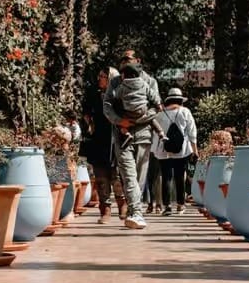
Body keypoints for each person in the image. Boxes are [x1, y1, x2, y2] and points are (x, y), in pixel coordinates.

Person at [104, 50, 162, 229]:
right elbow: (107, 105)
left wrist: (136, 120)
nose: (125, 63)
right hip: (121, 135)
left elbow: (156, 107)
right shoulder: (115, 82)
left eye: (128, 60)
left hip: (143, 135)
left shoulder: (150, 81)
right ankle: (136, 212)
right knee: (128, 176)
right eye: (122, 60)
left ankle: (134, 212)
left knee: (139, 177)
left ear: (138, 61)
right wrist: (120, 121)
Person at [81, 67, 126, 223]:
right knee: (100, 177)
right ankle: (105, 209)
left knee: (117, 176)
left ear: (112, 78)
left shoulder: (118, 95)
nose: (100, 78)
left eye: (103, 76)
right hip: (98, 140)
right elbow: (86, 112)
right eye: (99, 75)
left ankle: (122, 205)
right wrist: (89, 124)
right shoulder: (93, 95)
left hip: (115, 140)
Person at [152, 87, 198, 215]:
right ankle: (180, 205)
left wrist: (154, 150)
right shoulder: (185, 112)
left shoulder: (160, 114)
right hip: (181, 150)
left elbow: (155, 133)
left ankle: (167, 206)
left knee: (166, 177)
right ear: (180, 100)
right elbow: (192, 132)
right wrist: (195, 150)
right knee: (179, 176)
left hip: (163, 150)